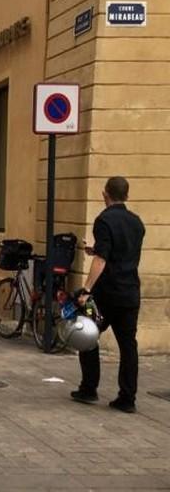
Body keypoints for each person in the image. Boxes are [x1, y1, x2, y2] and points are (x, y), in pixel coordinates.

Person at [72, 176, 145, 413]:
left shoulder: (103, 219)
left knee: (88, 335)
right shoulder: (137, 222)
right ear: (127, 195)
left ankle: (89, 388)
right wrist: (96, 249)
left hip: (105, 296)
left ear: (106, 194)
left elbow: (102, 260)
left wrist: (86, 290)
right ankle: (127, 398)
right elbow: (119, 252)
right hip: (130, 294)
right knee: (128, 346)